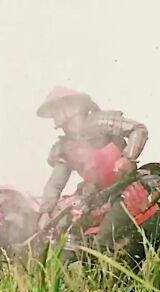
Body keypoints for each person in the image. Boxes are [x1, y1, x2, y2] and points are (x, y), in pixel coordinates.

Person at [35, 86, 149, 231]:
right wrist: (45, 212)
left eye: (56, 111)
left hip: (126, 185)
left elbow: (138, 129)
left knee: (109, 232)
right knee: (69, 228)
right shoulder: (65, 147)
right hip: (96, 197)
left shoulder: (100, 122)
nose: (54, 118)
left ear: (70, 107)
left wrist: (128, 158)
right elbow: (55, 184)